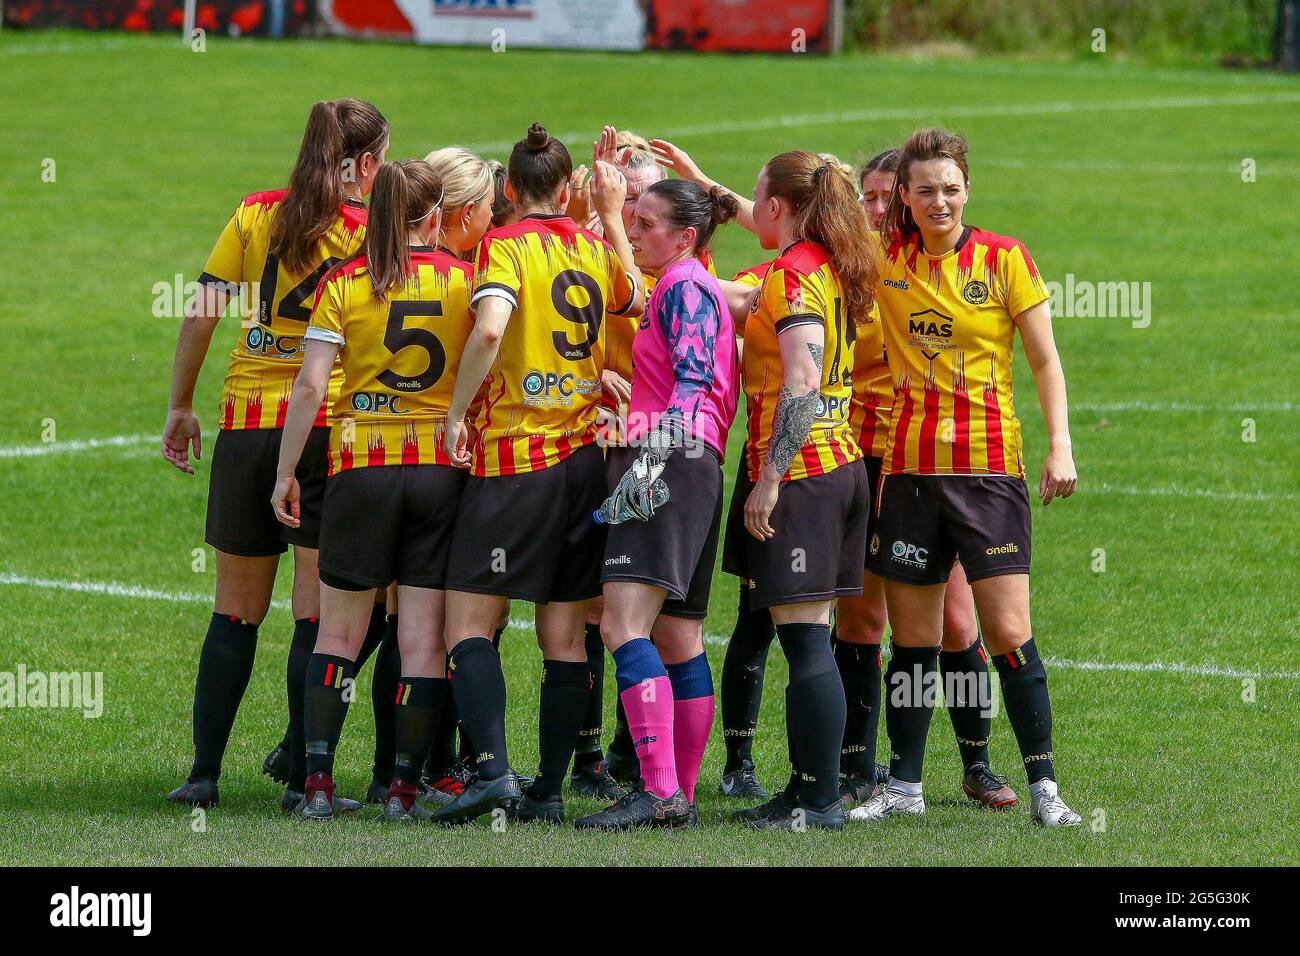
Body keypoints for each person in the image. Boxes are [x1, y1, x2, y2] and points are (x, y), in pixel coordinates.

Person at [163, 99, 389, 811]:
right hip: (324, 431)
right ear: (368, 164)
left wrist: (180, 405)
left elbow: (201, 312)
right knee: (315, 615)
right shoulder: (365, 234)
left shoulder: (257, 213)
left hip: (244, 427)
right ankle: (302, 781)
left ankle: (203, 775)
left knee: (233, 611)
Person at [852, 127, 1080, 827]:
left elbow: (1044, 361)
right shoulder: (883, 259)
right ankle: (905, 788)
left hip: (988, 476)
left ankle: (1045, 788)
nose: (940, 200)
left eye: (951, 188)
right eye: (926, 191)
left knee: (1008, 633)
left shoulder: (1005, 259)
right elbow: (798, 230)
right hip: (911, 473)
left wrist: (1060, 446)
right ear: (906, 202)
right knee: (915, 641)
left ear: (967, 190)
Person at [437, 123, 643, 825]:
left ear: (509, 192)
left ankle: (491, 773)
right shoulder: (592, 246)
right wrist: (611, 220)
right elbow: (634, 298)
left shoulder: (503, 244)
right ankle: (549, 793)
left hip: (516, 461)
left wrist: (458, 412)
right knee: (564, 639)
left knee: (466, 623)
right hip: (585, 462)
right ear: (566, 189)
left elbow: (492, 328)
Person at [270, 159, 475, 820]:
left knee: (338, 635)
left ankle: (319, 786)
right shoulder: (466, 280)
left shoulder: (346, 281)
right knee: (422, 641)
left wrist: (286, 471)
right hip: (441, 475)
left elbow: (309, 386)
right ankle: (405, 790)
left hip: (362, 472)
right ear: (435, 216)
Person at [835, 147, 1015, 811]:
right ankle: (859, 766)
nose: (880, 209)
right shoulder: (863, 268)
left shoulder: (931, 269)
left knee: (957, 621)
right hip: (864, 459)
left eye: (889, 197)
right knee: (860, 617)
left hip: (927, 460)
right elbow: (780, 234)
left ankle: (978, 764)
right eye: (871, 198)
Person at [574, 179, 740, 830]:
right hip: (694, 466)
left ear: (685, 237)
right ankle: (679, 794)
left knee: (621, 625)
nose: (633, 232)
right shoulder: (687, 284)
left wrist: (644, 464)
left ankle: (661, 790)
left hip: (671, 464)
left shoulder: (683, 286)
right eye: (633, 221)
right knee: (678, 635)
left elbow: (694, 380)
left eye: (645, 224)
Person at [721, 150, 878, 831]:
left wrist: (769, 480)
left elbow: (802, 384)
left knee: (807, 640)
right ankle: (807, 788)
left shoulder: (793, 274)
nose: (752, 209)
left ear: (779, 208)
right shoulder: (830, 266)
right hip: (840, 467)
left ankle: (819, 801)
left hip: (808, 475)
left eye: (757, 197)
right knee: (809, 634)